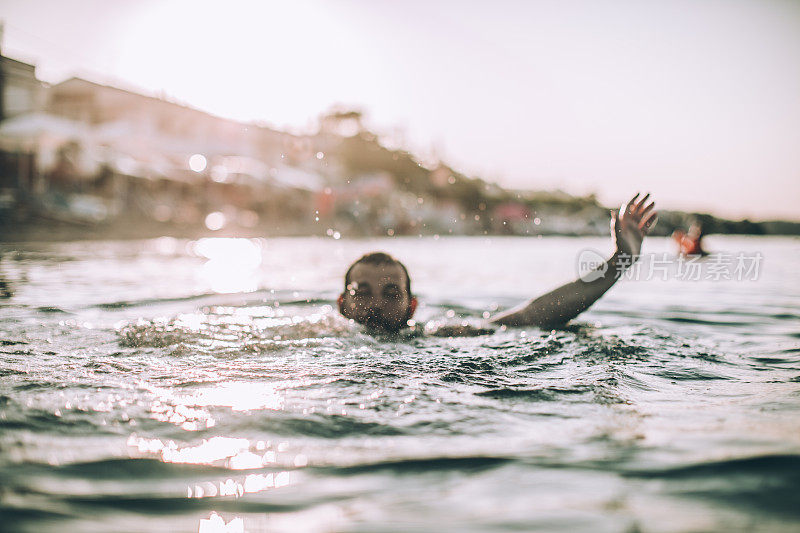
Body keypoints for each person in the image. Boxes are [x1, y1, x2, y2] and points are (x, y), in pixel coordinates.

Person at [338, 193, 657, 333]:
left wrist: (619, 262)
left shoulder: (441, 337)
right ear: (342, 304)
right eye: (363, 292)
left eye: (392, 293)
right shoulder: (302, 340)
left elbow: (532, 314)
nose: (376, 305)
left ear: (413, 306)